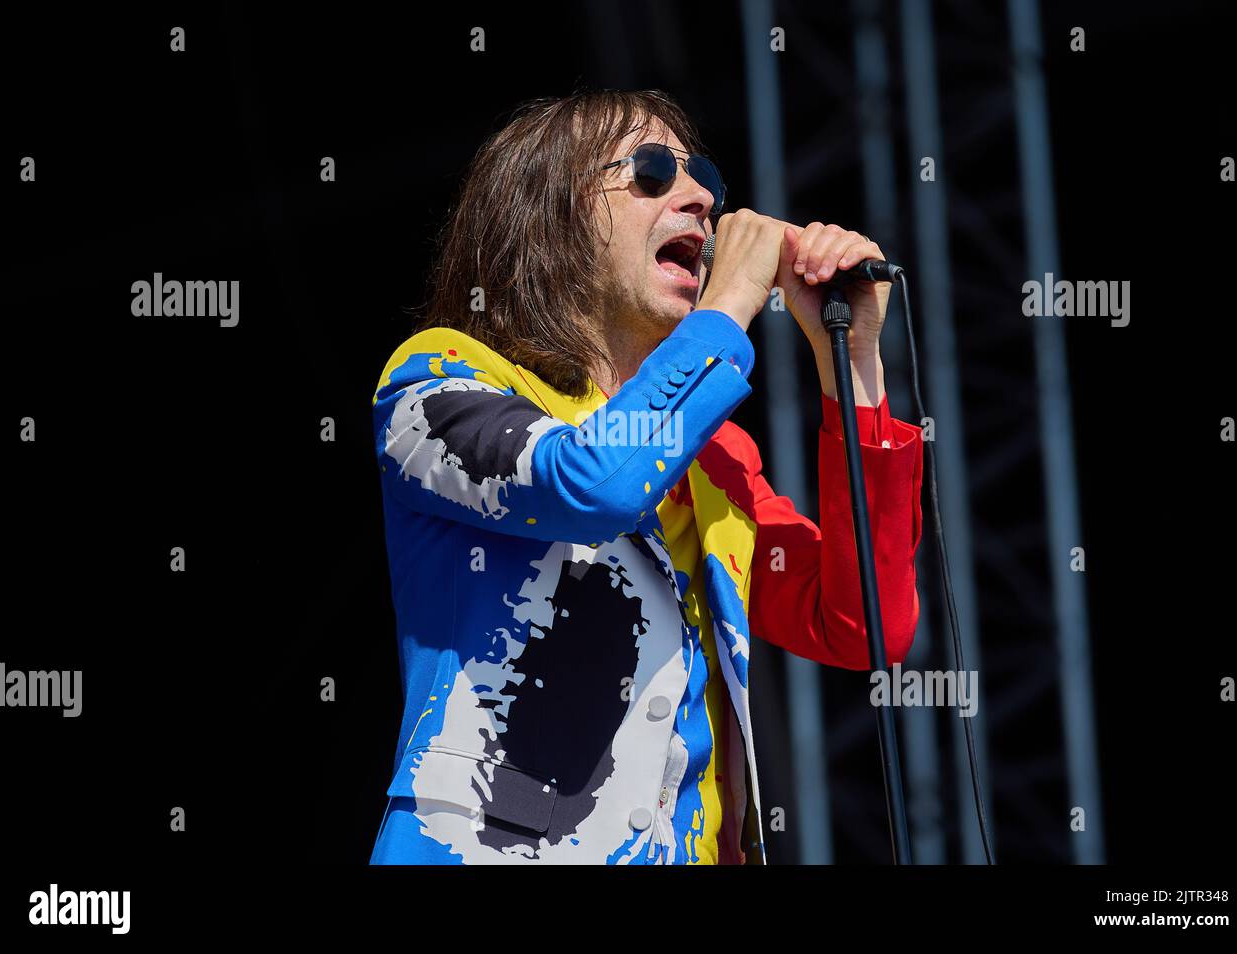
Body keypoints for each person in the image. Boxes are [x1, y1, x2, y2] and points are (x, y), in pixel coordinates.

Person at [368, 89, 924, 865]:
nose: (700, 198)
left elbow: (864, 622)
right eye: (653, 172)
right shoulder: (438, 384)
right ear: (551, 216)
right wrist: (730, 303)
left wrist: (854, 367)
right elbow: (592, 484)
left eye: (703, 177)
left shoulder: (715, 464)